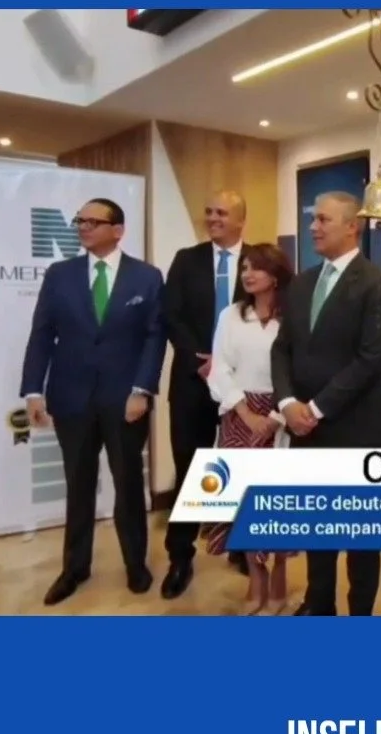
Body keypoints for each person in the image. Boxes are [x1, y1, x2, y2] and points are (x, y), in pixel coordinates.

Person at [21, 198, 166, 605]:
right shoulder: (60, 274)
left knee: (128, 484)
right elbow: (41, 333)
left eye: (92, 221)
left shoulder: (146, 276)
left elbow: (155, 337)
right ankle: (74, 568)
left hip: (126, 401)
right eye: (79, 221)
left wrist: (142, 389)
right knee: (78, 485)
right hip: (71, 398)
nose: (83, 227)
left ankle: (135, 564)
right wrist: (33, 390)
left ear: (117, 230)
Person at [270, 192, 381, 616]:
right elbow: (282, 348)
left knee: (360, 536)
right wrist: (288, 402)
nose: (313, 227)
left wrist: (316, 408)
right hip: (304, 429)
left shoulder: (376, 282)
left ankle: (359, 613)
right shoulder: (302, 283)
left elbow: (371, 358)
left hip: (353, 430)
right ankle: (318, 603)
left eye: (323, 219)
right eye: (313, 219)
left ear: (351, 226)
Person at [162, 190, 248, 599]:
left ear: (240, 220)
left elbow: (268, 316)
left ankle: (243, 546)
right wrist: (202, 359)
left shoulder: (257, 262)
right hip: (192, 382)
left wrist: (227, 363)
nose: (212, 218)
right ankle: (180, 555)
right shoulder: (187, 260)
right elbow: (170, 315)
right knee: (191, 468)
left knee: (241, 466)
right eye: (209, 211)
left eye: (221, 213)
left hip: (242, 385)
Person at [204, 243, 295, 615]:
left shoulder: (294, 316)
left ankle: (280, 578)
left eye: (256, 267)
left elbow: (302, 369)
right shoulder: (230, 316)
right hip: (238, 415)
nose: (247, 273)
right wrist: (244, 412)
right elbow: (220, 368)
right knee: (242, 504)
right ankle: (256, 580)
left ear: (275, 275)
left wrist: (276, 417)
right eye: (244, 267)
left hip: (284, 414)